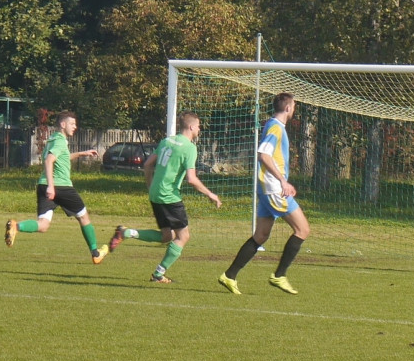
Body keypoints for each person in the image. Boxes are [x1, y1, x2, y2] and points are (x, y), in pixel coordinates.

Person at [108, 111, 221, 283]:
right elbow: (191, 179)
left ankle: (126, 232)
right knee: (183, 237)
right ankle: (158, 274)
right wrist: (210, 194)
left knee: (166, 236)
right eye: (198, 126)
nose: (199, 129)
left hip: (155, 194)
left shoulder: (166, 141)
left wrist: (150, 185)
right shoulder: (189, 148)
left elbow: (147, 164)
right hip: (169, 197)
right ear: (191, 127)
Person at [218, 92, 309, 295]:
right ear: (287, 108)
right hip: (274, 189)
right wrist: (283, 181)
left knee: (261, 235)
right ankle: (279, 275)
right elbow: (263, 155)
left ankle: (229, 275)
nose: (294, 109)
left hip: (266, 188)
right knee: (303, 229)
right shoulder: (276, 128)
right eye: (293, 106)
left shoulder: (273, 125)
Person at [5, 110, 108, 263]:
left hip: (43, 184)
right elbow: (48, 161)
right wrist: (52, 187)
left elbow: (61, 157)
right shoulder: (60, 141)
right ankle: (95, 253)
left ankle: (16, 227)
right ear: (63, 124)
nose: (75, 127)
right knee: (84, 217)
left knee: (43, 225)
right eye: (72, 124)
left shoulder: (53, 139)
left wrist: (82, 154)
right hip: (60, 186)